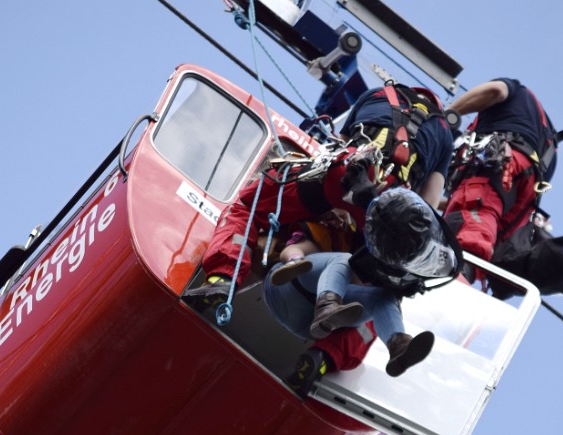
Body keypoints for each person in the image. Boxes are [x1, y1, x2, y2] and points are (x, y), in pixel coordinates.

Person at [183, 82, 454, 310]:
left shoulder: (377, 94)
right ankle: (329, 328)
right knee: (381, 286)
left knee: (249, 205)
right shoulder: (444, 136)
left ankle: (222, 279)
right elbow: (427, 205)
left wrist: (327, 207)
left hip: (347, 173)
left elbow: (334, 147)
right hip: (390, 205)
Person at [265, 188, 459, 396]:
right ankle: (327, 303)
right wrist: (296, 261)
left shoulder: (361, 247)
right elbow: (291, 249)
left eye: (345, 217)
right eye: (337, 215)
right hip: (287, 288)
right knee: (340, 261)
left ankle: (398, 344)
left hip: (308, 322)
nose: (341, 220)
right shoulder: (318, 230)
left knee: (384, 298)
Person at [442, 78, 561, 282]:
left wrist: (445, 116)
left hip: (499, 166)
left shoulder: (516, 90)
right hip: (520, 198)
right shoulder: (547, 141)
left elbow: (495, 91)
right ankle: (464, 275)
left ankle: (455, 278)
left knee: (469, 221)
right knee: (480, 224)